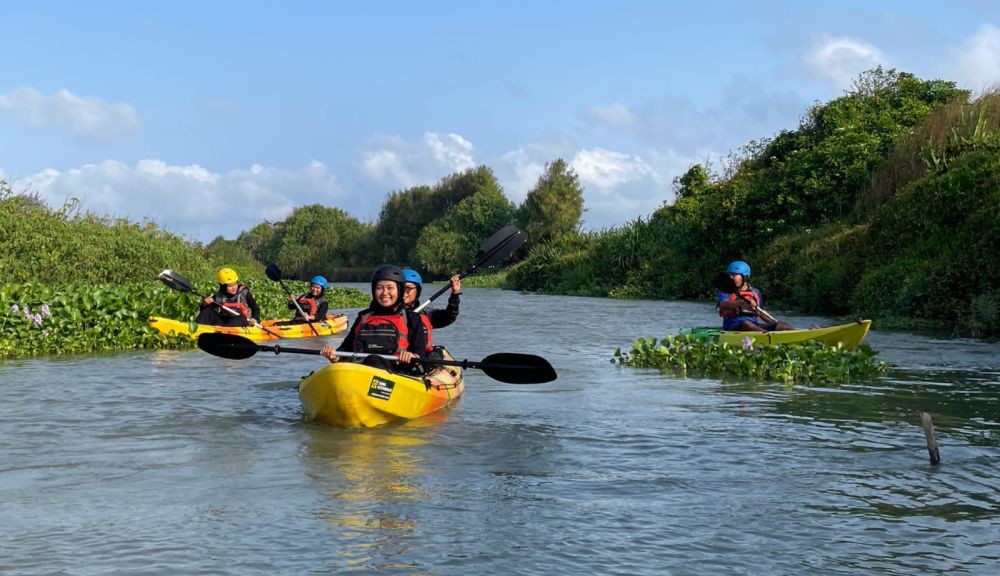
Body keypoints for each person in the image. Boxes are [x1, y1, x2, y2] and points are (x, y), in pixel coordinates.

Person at [321, 265, 428, 368]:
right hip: (363, 370)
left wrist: (413, 356)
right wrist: (335, 356)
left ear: (399, 290)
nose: (384, 293)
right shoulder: (363, 316)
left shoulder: (412, 319)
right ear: (374, 290)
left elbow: (419, 351)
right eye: (379, 288)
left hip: (397, 371)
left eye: (390, 288)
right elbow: (346, 348)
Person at [716, 260, 794, 331]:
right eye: (730, 275)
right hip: (733, 326)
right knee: (746, 323)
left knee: (782, 325)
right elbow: (723, 305)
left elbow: (760, 312)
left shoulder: (755, 292)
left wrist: (775, 325)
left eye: (734, 275)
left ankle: (795, 334)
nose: (731, 278)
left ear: (744, 277)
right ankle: (767, 336)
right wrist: (742, 302)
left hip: (754, 326)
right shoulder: (725, 290)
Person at [401, 269, 461, 353]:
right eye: (401, 288)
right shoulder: (388, 312)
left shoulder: (425, 313)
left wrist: (454, 294)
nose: (404, 292)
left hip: (420, 358)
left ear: (417, 291)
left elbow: (449, 316)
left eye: (408, 288)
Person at [196, 267, 261, 327]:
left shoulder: (244, 293)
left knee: (241, 318)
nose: (234, 288)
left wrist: (255, 319)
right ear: (223, 286)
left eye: (235, 284)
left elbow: (256, 309)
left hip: (243, 321)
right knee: (207, 311)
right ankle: (197, 329)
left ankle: (226, 333)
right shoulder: (219, 296)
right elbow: (205, 312)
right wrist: (205, 303)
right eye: (230, 286)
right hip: (225, 323)